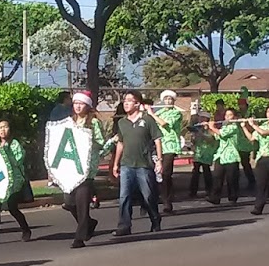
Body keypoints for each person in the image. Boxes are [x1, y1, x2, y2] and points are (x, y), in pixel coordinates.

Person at [111, 89, 163, 236]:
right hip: (126, 164)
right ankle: (124, 226)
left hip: (144, 164)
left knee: (148, 195)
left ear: (137, 103)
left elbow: (157, 140)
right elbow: (120, 143)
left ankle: (155, 219)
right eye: (125, 101)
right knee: (124, 196)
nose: (126, 103)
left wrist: (159, 161)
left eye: (129, 101)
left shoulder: (147, 120)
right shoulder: (122, 123)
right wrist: (116, 163)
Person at [0, 118, 32, 245]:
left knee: (12, 208)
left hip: (13, 182)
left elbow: (17, 161)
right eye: (0, 127)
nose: (3, 130)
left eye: (5, 127)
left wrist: (6, 151)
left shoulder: (14, 144)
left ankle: (26, 230)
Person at [64, 92, 104, 248]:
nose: (78, 106)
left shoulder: (93, 123)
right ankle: (89, 223)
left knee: (82, 204)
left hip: (86, 169)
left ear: (87, 106)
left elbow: (101, 142)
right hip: (71, 169)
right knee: (69, 203)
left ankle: (79, 238)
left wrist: (88, 139)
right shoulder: (69, 122)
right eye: (75, 103)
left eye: (81, 103)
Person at [151, 90, 187, 214]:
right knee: (157, 174)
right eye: (166, 99)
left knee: (165, 173)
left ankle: (167, 201)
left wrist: (152, 114)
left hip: (170, 146)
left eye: (170, 99)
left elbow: (165, 124)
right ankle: (159, 197)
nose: (168, 101)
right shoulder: (160, 112)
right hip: (158, 145)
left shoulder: (176, 113)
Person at [209, 107, 245, 204]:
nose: (227, 117)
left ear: (235, 117)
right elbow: (217, 136)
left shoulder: (234, 127)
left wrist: (212, 127)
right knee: (217, 176)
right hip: (221, 155)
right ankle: (215, 197)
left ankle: (233, 197)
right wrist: (208, 128)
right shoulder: (224, 126)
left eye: (230, 115)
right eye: (226, 115)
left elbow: (222, 134)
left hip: (231, 155)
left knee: (231, 178)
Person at [188, 108, 217, 199]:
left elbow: (211, 139)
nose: (200, 119)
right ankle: (193, 191)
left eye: (202, 118)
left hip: (207, 152)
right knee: (195, 172)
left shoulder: (209, 127)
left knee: (206, 171)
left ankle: (209, 190)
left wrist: (204, 131)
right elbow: (194, 140)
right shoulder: (197, 127)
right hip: (198, 152)